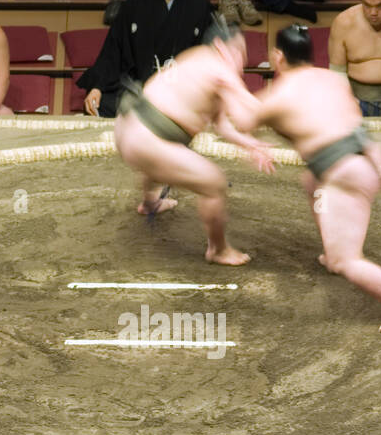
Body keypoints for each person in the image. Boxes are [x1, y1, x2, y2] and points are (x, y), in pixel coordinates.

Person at [230, 25, 381, 333]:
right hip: (370, 159)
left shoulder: (277, 96)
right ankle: (329, 249)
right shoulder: (333, 79)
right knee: (311, 182)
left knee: (345, 262)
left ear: (277, 57)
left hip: (345, 175)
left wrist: (229, 87)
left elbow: (241, 121)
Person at [112, 19, 274, 266]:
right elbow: (250, 113)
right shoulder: (220, 69)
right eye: (239, 53)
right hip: (147, 140)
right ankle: (218, 251)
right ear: (220, 46)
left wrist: (250, 144)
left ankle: (150, 202)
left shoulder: (194, 59)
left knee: (169, 152)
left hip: (128, 130)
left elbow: (222, 124)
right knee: (215, 183)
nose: (243, 60)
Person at [79, 0, 215, 118]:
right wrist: (97, 87)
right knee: (100, 105)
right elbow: (114, 49)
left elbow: (209, 55)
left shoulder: (200, 6)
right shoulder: (135, 3)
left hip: (183, 94)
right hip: (140, 91)